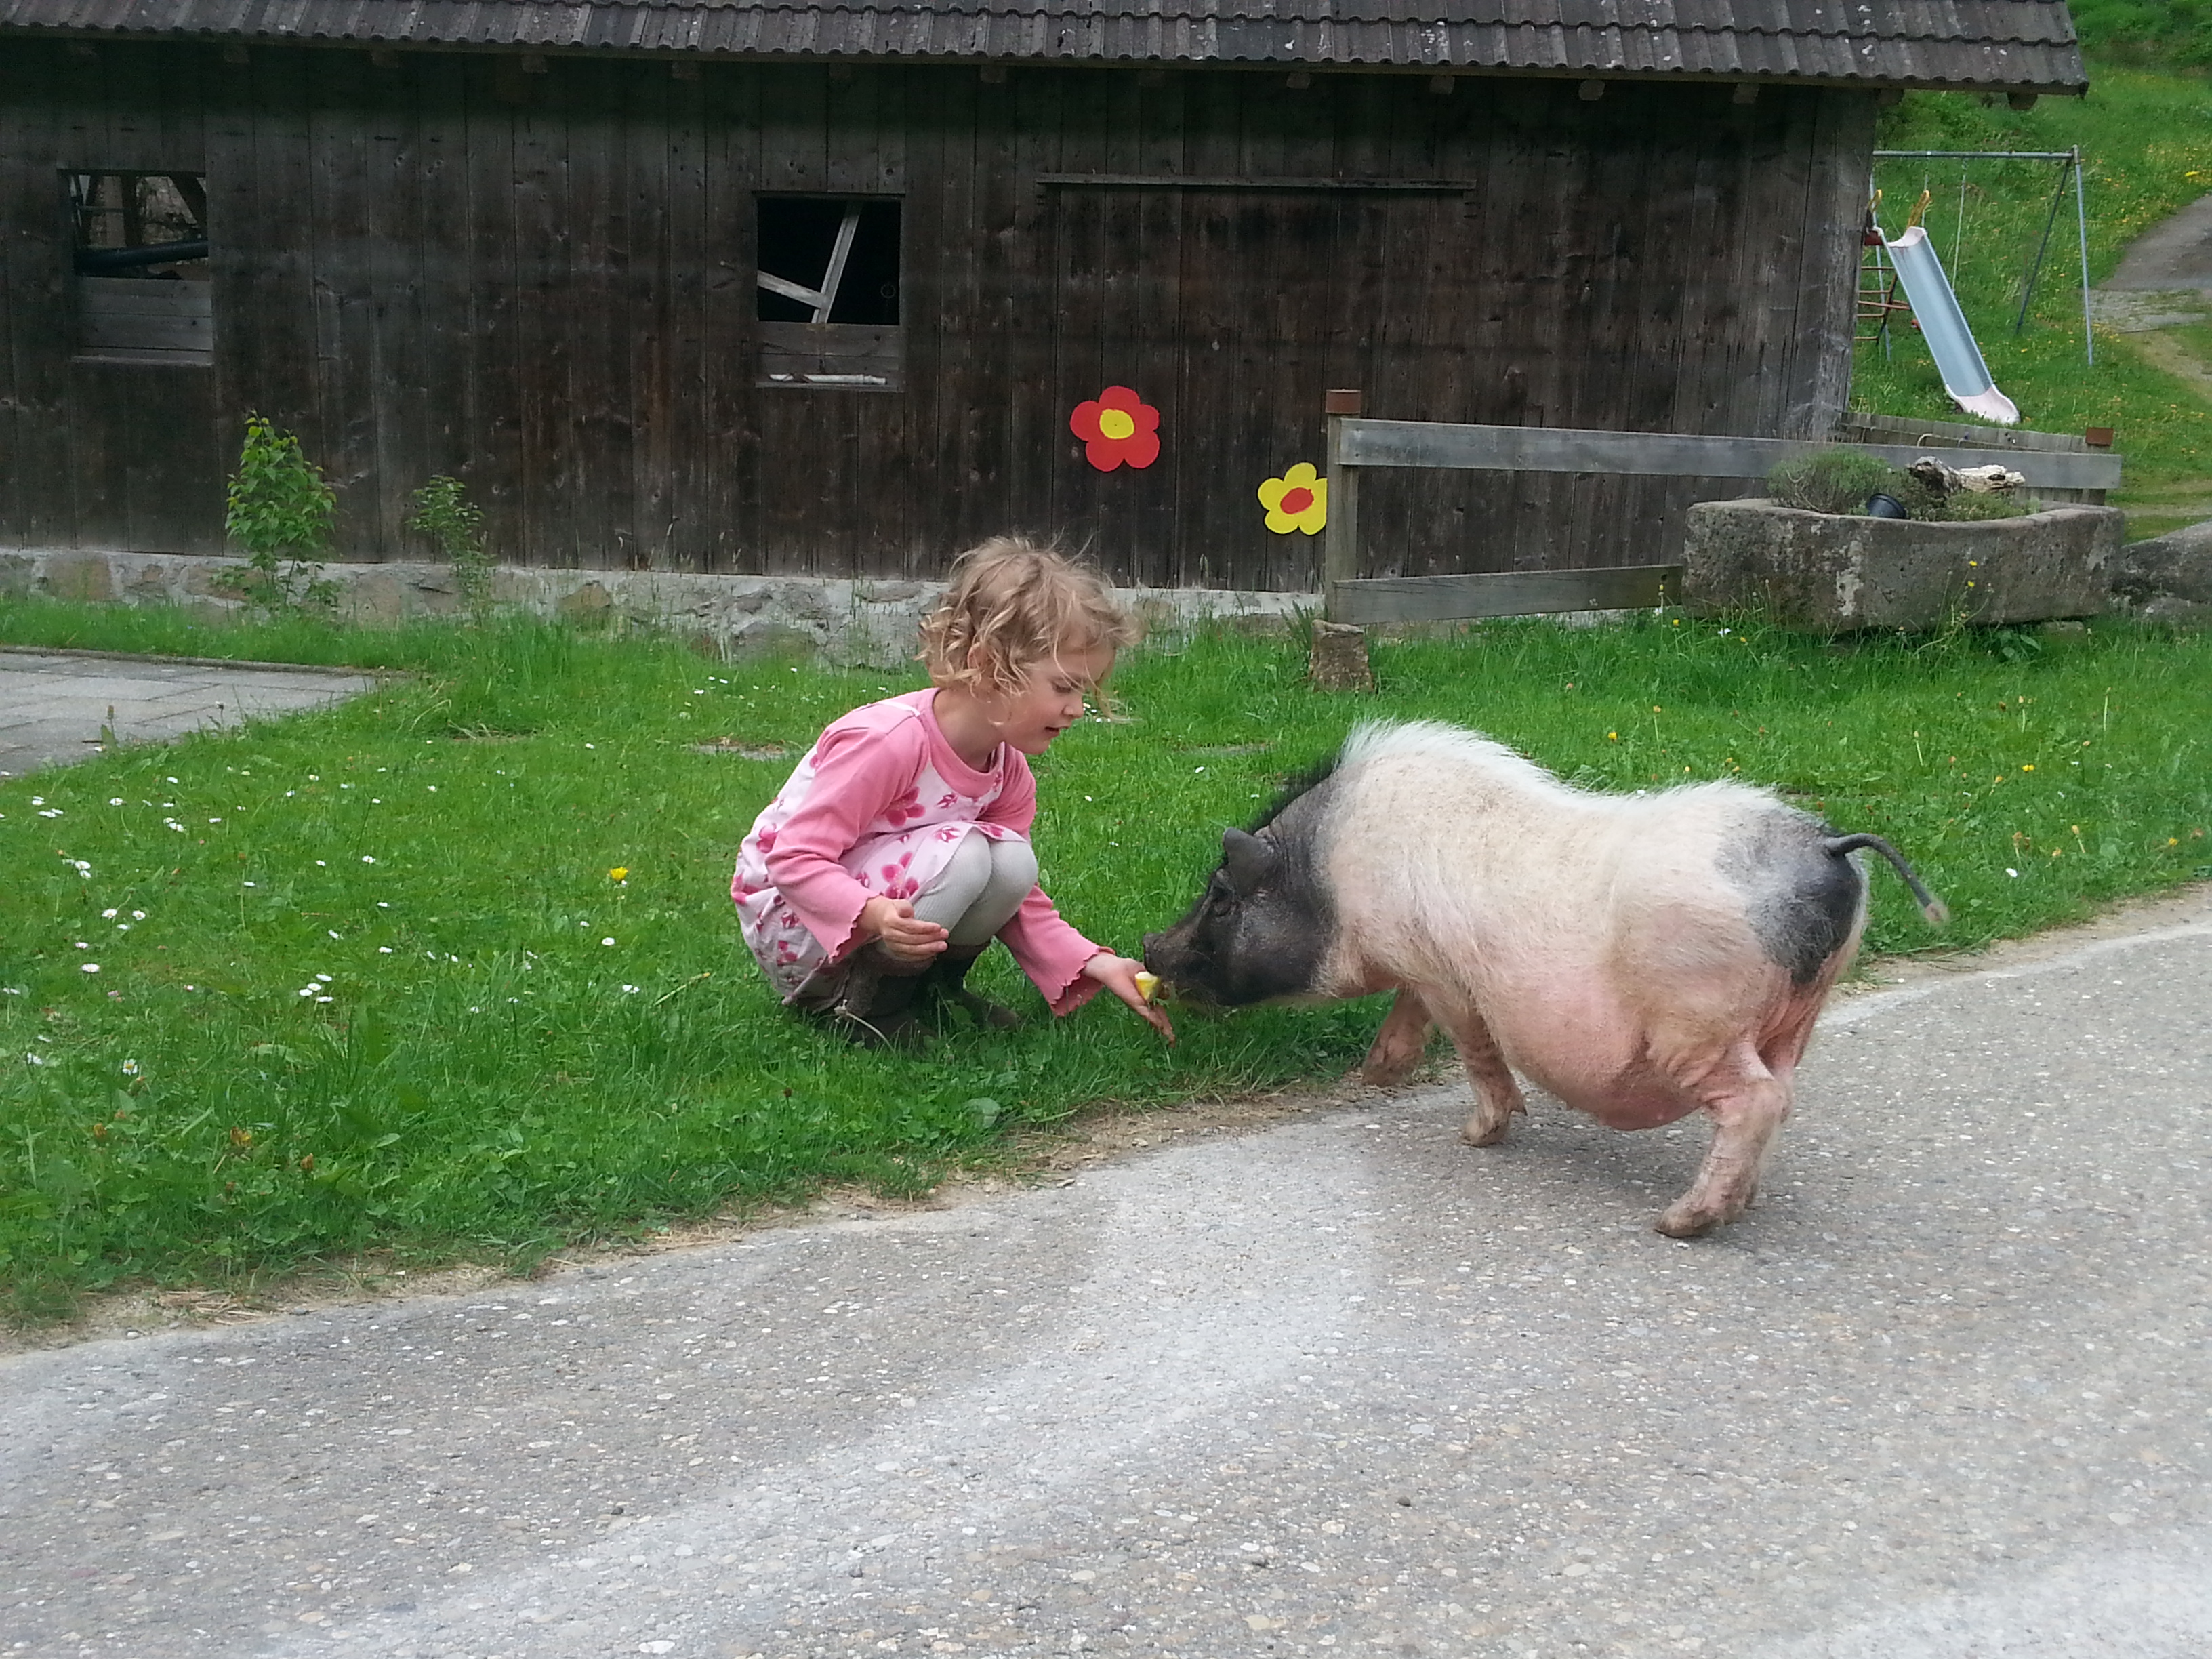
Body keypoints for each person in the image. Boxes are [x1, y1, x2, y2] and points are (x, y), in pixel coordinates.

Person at [733, 537, 1175, 1048]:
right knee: (964, 854)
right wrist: (871, 912)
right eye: (1063, 687)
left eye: (1085, 692)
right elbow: (793, 858)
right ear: (988, 665)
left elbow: (1019, 896)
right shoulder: (889, 742)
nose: (1077, 709)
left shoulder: (1007, 769)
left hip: (886, 916)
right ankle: (869, 1011)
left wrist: (1094, 961)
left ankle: (933, 993)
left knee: (1011, 860)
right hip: (799, 925)